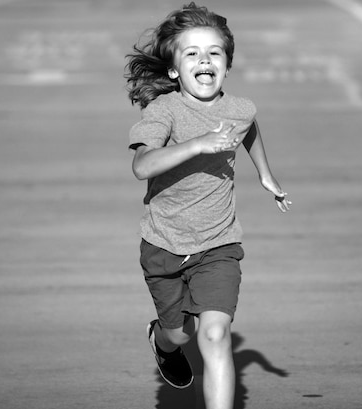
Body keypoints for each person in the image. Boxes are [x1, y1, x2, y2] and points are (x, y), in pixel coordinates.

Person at [125, 3, 291, 409]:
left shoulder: (238, 107)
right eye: (192, 53)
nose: (204, 60)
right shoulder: (162, 111)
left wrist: (265, 174)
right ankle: (161, 343)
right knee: (179, 333)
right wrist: (197, 144)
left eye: (214, 53)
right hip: (164, 244)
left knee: (215, 335)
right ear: (173, 70)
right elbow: (141, 166)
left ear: (227, 66)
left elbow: (247, 126)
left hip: (218, 244)